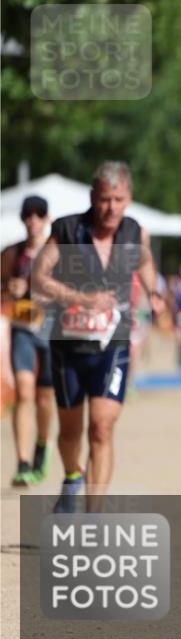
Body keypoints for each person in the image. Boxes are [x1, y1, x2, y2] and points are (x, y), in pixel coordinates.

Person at [32, 161, 164, 512]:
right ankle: (72, 476)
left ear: (129, 199)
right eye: (105, 199)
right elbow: (39, 277)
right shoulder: (67, 229)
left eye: (118, 199)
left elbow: (145, 262)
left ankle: (93, 516)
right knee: (71, 432)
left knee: (102, 428)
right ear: (93, 197)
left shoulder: (135, 233)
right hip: (69, 344)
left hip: (113, 343)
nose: (111, 208)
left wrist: (154, 292)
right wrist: (80, 298)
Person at [1, 195, 55, 486]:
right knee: (23, 391)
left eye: (39, 214)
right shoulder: (11, 253)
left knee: (44, 398)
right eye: (28, 215)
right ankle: (22, 463)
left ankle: (41, 445)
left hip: (50, 330)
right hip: (22, 327)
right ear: (23, 219)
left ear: (47, 219)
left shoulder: (57, 252)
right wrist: (8, 289)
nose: (33, 220)